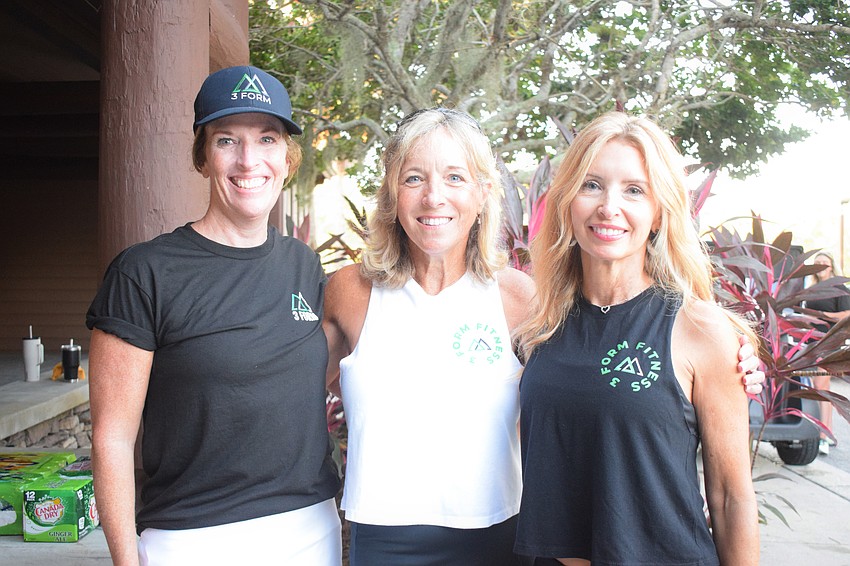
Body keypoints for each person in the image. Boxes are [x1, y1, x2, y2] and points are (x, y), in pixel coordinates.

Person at [322, 108, 764, 565]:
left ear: (483, 195)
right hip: (395, 542)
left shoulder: (526, 302)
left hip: (505, 542)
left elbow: (728, 492)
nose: (434, 197)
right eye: (414, 178)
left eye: (455, 177)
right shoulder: (351, 295)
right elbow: (288, 380)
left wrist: (737, 364)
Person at [86, 66, 341, 566]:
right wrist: (124, 560)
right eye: (227, 140)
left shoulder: (304, 265)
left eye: (267, 139)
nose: (250, 161)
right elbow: (112, 437)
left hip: (310, 530)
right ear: (203, 156)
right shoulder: (145, 272)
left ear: (287, 159)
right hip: (191, 538)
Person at [514, 112, 759, 565]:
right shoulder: (539, 326)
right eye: (592, 185)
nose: (609, 207)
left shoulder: (698, 329)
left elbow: (730, 498)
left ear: (659, 211)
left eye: (634, 190)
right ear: (567, 199)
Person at [805, 251, 850, 455]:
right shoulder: (811, 289)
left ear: (831, 266)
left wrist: (824, 316)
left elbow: (847, 314)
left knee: (821, 387)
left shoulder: (839, 288)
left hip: (828, 343)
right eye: (817, 263)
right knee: (817, 388)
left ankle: (823, 437)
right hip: (809, 343)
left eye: (824, 262)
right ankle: (825, 433)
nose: (821, 265)